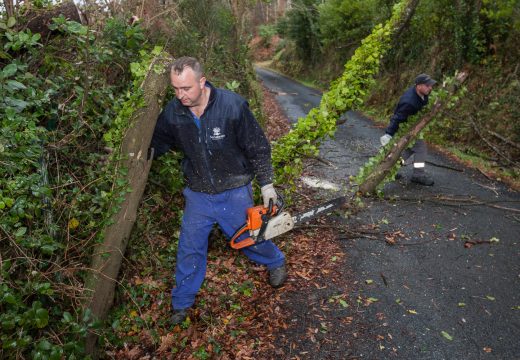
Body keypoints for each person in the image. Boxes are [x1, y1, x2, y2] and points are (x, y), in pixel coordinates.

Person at [150, 56, 287, 325]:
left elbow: (257, 146)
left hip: (234, 189)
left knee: (249, 237)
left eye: (186, 88)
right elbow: (158, 142)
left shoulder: (232, 106)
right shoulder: (174, 113)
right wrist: (132, 154)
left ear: (202, 82)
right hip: (198, 192)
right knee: (189, 247)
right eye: (175, 89)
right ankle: (181, 302)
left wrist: (267, 184)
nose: (181, 95)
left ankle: (275, 261)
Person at [380, 73, 437, 186]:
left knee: (410, 149)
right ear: (419, 86)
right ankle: (418, 175)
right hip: (403, 127)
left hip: (412, 126)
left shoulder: (422, 93)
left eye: (430, 85)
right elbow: (397, 118)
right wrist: (388, 134)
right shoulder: (409, 101)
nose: (430, 88)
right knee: (420, 148)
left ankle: (391, 170)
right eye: (427, 85)